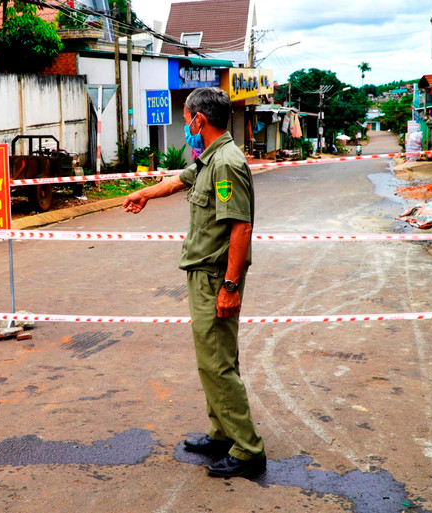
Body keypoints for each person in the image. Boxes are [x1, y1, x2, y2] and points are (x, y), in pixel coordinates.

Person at [123, 87, 266, 478]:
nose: (185, 126)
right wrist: (146, 193)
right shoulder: (211, 158)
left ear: (199, 120)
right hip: (203, 274)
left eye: (186, 120)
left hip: (216, 277)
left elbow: (241, 226)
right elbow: (181, 180)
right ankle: (222, 432)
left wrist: (230, 287)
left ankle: (249, 449)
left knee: (217, 364)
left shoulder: (227, 164)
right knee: (215, 359)